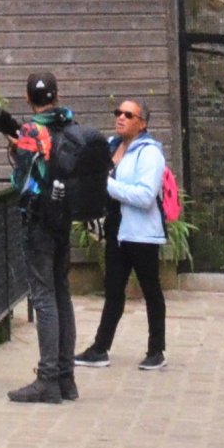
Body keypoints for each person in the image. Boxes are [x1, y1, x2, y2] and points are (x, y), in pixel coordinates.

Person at [0, 73, 87, 404]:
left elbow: (21, 182)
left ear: (29, 99)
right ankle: (67, 378)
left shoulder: (31, 131)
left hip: (39, 223)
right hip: (63, 220)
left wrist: (17, 153)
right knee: (62, 294)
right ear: (57, 96)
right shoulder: (70, 125)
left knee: (43, 298)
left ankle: (47, 379)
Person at [76, 98, 169, 371]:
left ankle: (156, 350)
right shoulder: (112, 146)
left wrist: (107, 185)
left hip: (141, 234)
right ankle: (100, 348)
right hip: (116, 229)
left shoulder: (150, 153)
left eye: (128, 114)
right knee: (113, 291)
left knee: (151, 289)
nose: (121, 118)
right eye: (118, 112)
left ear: (142, 123)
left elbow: (145, 196)